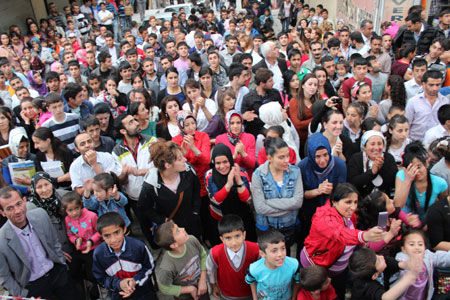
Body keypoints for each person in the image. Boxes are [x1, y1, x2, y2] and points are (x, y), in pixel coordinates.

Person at [300, 183, 384, 299]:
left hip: (338, 268)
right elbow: (340, 234)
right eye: (348, 202)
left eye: (355, 202)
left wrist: (364, 240)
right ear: (334, 202)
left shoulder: (348, 215)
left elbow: (351, 234)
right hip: (318, 268)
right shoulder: (323, 217)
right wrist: (364, 236)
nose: (353, 207)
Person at [0, 186, 81, 299]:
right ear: (2, 213)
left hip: (57, 273)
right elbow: (4, 276)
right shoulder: (1, 239)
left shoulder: (41, 215)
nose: (17, 211)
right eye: (10, 208)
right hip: (33, 287)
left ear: (24, 201)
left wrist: (62, 264)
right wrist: (23, 295)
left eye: (18, 204)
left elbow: (54, 242)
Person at [138, 140, 202, 240]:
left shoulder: (188, 172)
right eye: (180, 159)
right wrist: (163, 220)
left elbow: (196, 191)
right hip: (171, 230)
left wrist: (195, 212)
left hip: (191, 224)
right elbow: (144, 208)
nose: (185, 160)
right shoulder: (151, 185)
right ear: (168, 165)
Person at [251, 137, 303, 253]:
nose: (287, 160)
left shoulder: (295, 172)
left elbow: (298, 201)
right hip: (267, 227)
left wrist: (268, 202)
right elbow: (260, 208)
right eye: (281, 157)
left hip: (289, 225)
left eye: (288, 156)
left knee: (287, 253)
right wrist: (288, 208)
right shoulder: (258, 175)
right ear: (270, 158)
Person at [92, 212, 158, 300]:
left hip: (143, 292)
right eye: (107, 236)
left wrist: (135, 281)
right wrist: (119, 284)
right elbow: (101, 278)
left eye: (116, 232)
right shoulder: (98, 254)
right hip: (118, 295)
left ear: (124, 229)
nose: (113, 239)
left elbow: (149, 267)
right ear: (101, 236)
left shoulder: (138, 246)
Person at [298, 133, 347, 249]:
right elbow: (300, 194)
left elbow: (344, 192)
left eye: (325, 155)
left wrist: (333, 191)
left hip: (332, 215)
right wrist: (318, 191)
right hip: (310, 214)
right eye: (317, 156)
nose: (322, 160)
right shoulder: (303, 167)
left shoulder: (339, 165)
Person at [206, 215, 260, 299]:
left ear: (244, 235)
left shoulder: (256, 249)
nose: (234, 243)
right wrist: (213, 285)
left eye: (237, 236)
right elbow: (210, 271)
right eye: (228, 238)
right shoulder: (215, 253)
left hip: (251, 294)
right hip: (227, 295)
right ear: (222, 239)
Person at [394, 142, 448, 221]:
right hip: (406, 221)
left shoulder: (440, 183)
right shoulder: (401, 176)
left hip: (429, 222)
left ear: (426, 164)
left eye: (419, 167)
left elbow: (444, 208)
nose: (416, 171)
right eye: (412, 168)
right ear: (405, 169)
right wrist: (408, 180)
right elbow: (398, 205)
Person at [154, 221, 208, 300]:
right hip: (185, 297)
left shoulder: (192, 240)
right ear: (174, 245)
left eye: (178, 227)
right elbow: (164, 287)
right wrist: (190, 289)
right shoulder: (166, 267)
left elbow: (202, 255)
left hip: (202, 287)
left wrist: (203, 280)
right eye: (178, 231)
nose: (183, 228)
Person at [112, 113, 155, 211]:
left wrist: (138, 172)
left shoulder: (151, 141)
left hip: (156, 194)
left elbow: (161, 168)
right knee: (144, 225)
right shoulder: (117, 151)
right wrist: (124, 173)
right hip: (135, 199)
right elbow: (121, 181)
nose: (136, 123)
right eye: (131, 122)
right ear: (123, 131)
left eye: (135, 120)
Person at [357, 191, 421, 255]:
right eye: (389, 202)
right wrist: (391, 233)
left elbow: (417, 225)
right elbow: (373, 247)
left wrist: (412, 222)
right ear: (382, 211)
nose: (392, 201)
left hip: (401, 249)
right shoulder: (375, 228)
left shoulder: (395, 213)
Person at [62, 191, 101, 293]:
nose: (74, 213)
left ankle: (98, 287)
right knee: (72, 270)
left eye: (76, 208)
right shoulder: (67, 219)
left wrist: (91, 241)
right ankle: (83, 285)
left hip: (93, 248)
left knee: (92, 273)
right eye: (70, 210)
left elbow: (99, 232)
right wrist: (75, 240)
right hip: (78, 249)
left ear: (81, 206)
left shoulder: (91, 216)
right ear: (65, 210)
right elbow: (70, 234)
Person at [394, 230, 450, 300]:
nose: (417, 247)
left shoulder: (428, 256)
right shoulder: (400, 259)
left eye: (420, 244)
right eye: (412, 244)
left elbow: (443, 258)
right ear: (404, 249)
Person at [245, 230, 300, 300]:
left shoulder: (294, 265)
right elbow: (251, 282)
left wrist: (293, 298)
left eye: (283, 248)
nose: (280, 254)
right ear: (262, 254)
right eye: (274, 251)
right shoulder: (254, 269)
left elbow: (297, 281)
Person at [349, 247, 420, 300]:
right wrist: (407, 280)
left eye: (376, 255)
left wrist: (405, 265)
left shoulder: (377, 265)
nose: (382, 257)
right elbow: (386, 297)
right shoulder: (365, 287)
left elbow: (389, 263)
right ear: (375, 275)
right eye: (379, 261)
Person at [347, 130, 397, 198]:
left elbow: (393, 182)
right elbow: (352, 183)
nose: (376, 148)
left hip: (384, 199)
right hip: (361, 200)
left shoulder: (388, 158)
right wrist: (372, 172)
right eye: (372, 144)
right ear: (364, 146)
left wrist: (381, 168)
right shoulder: (356, 158)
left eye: (379, 144)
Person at [406, 70, 450, 140]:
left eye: (438, 85)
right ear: (423, 84)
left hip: (437, 144)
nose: (435, 88)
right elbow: (407, 124)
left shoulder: (445, 102)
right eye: (431, 85)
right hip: (416, 143)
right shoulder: (413, 102)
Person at [241, 67, 283, 138]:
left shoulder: (275, 94)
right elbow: (247, 117)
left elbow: (280, 110)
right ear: (262, 84)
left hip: (275, 129)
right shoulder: (248, 98)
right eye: (270, 81)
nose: (273, 83)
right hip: (256, 132)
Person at [215, 110, 256, 176]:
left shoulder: (250, 137)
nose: (235, 126)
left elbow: (252, 164)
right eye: (232, 123)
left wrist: (243, 153)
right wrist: (234, 156)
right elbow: (220, 164)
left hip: (245, 178)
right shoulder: (220, 139)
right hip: (226, 177)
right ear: (227, 124)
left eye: (238, 123)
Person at [290, 74, 320, 157]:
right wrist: (317, 118)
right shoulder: (294, 101)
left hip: (316, 138)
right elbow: (298, 124)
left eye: (315, 85)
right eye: (310, 84)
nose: (313, 87)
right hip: (301, 141)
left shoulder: (318, 99)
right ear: (303, 85)